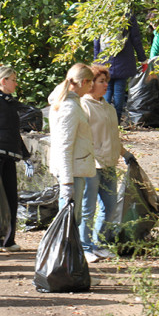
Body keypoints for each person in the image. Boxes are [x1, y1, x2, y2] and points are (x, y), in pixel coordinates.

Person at [80, 65, 135, 263]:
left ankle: (99, 244)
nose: (106, 86)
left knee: (110, 206)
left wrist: (125, 154)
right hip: (91, 164)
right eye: (101, 81)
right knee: (88, 208)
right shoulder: (83, 106)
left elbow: (114, 136)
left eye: (106, 81)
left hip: (109, 163)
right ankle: (84, 247)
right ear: (90, 84)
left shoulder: (109, 107)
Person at [0, 66, 33, 253]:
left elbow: (13, 132)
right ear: (4, 81)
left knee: (10, 198)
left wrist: (26, 156)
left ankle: (8, 240)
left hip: (10, 157)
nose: (16, 83)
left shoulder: (10, 104)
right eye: (13, 79)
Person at [48, 63, 96, 223]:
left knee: (73, 221)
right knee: (69, 223)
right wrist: (67, 183)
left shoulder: (71, 103)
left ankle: (69, 248)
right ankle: (64, 248)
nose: (92, 87)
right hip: (72, 173)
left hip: (75, 170)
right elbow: (64, 146)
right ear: (83, 82)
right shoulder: (69, 107)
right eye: (91, 83)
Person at [93, 14, 147, 122]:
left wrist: (96, 60)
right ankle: (116, 122)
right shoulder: (127, 14)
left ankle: (105, 120)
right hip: (124, 58)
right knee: (119, 92)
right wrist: (142, 59)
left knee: (106, 89)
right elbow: (136, 38)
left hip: (105, 58)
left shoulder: (101, 12)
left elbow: (96, 40)